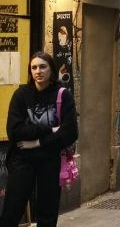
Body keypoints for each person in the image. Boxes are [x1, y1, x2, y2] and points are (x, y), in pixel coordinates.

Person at [2, 52, 78, 227]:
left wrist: (38, 142)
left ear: (51, 69)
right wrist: (50, 129)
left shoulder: (62, 95)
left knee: (47, 213)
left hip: (50, 159)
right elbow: (15, 131)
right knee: (11, 211)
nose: (38, 71)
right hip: (22, 159)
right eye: (34, 67)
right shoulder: (21, 95)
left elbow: (70, 132)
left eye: (43, 66)